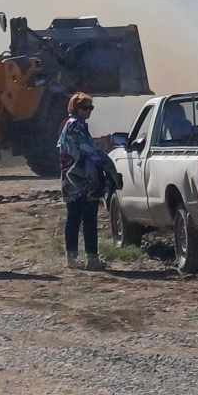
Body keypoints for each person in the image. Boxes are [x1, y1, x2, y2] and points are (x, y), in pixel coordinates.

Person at [58, 93, 111, 271]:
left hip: (73, 180)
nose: (88, 111)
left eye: (90, 108)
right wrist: (106, 160)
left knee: (75, 218)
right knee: (86, 219)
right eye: (85, 107)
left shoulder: (72, 125)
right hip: (82, 181)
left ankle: (74, 258)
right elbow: (88, 151)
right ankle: (90, 258)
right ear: (76, 108)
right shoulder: (75, 126)